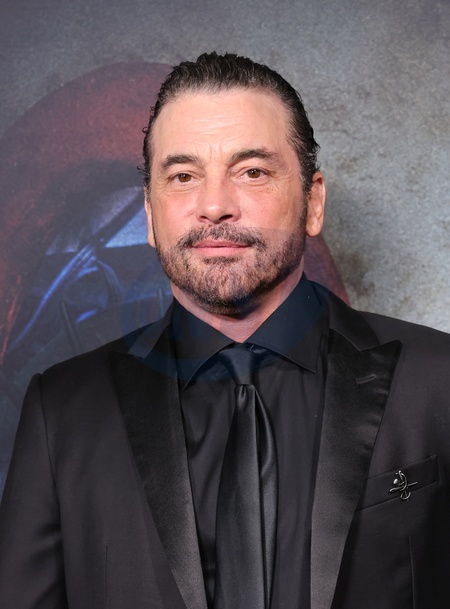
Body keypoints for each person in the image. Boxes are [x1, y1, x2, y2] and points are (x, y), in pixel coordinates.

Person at [0, 52, 449, 609]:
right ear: (151, 215)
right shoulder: (61, 413)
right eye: (183, 177)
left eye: (252, 171)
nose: (214, 206)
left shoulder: (437, 381)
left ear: (313, 202)